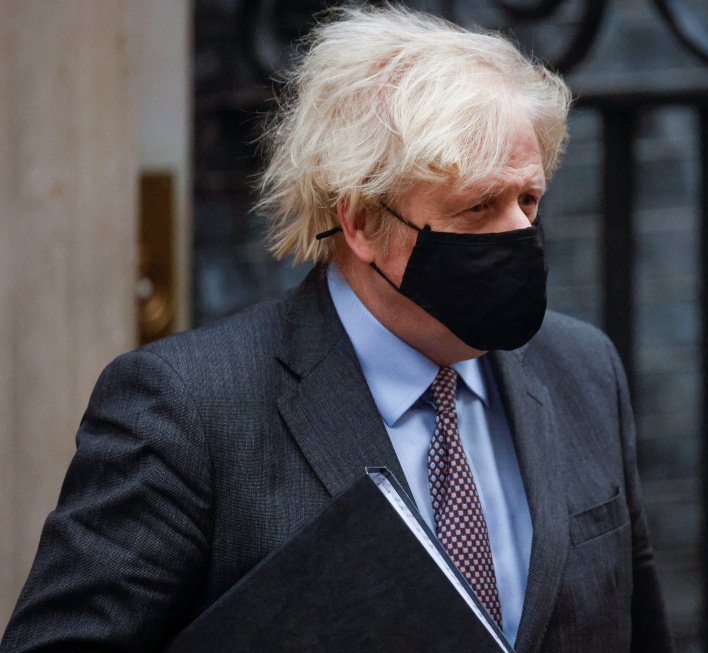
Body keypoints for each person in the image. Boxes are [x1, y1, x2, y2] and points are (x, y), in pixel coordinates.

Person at [2, 6, 671, 652]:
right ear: (358, 222)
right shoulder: (185, 411)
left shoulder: (584, 368)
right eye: (478, 206)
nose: (522, 234)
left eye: (528, 199)